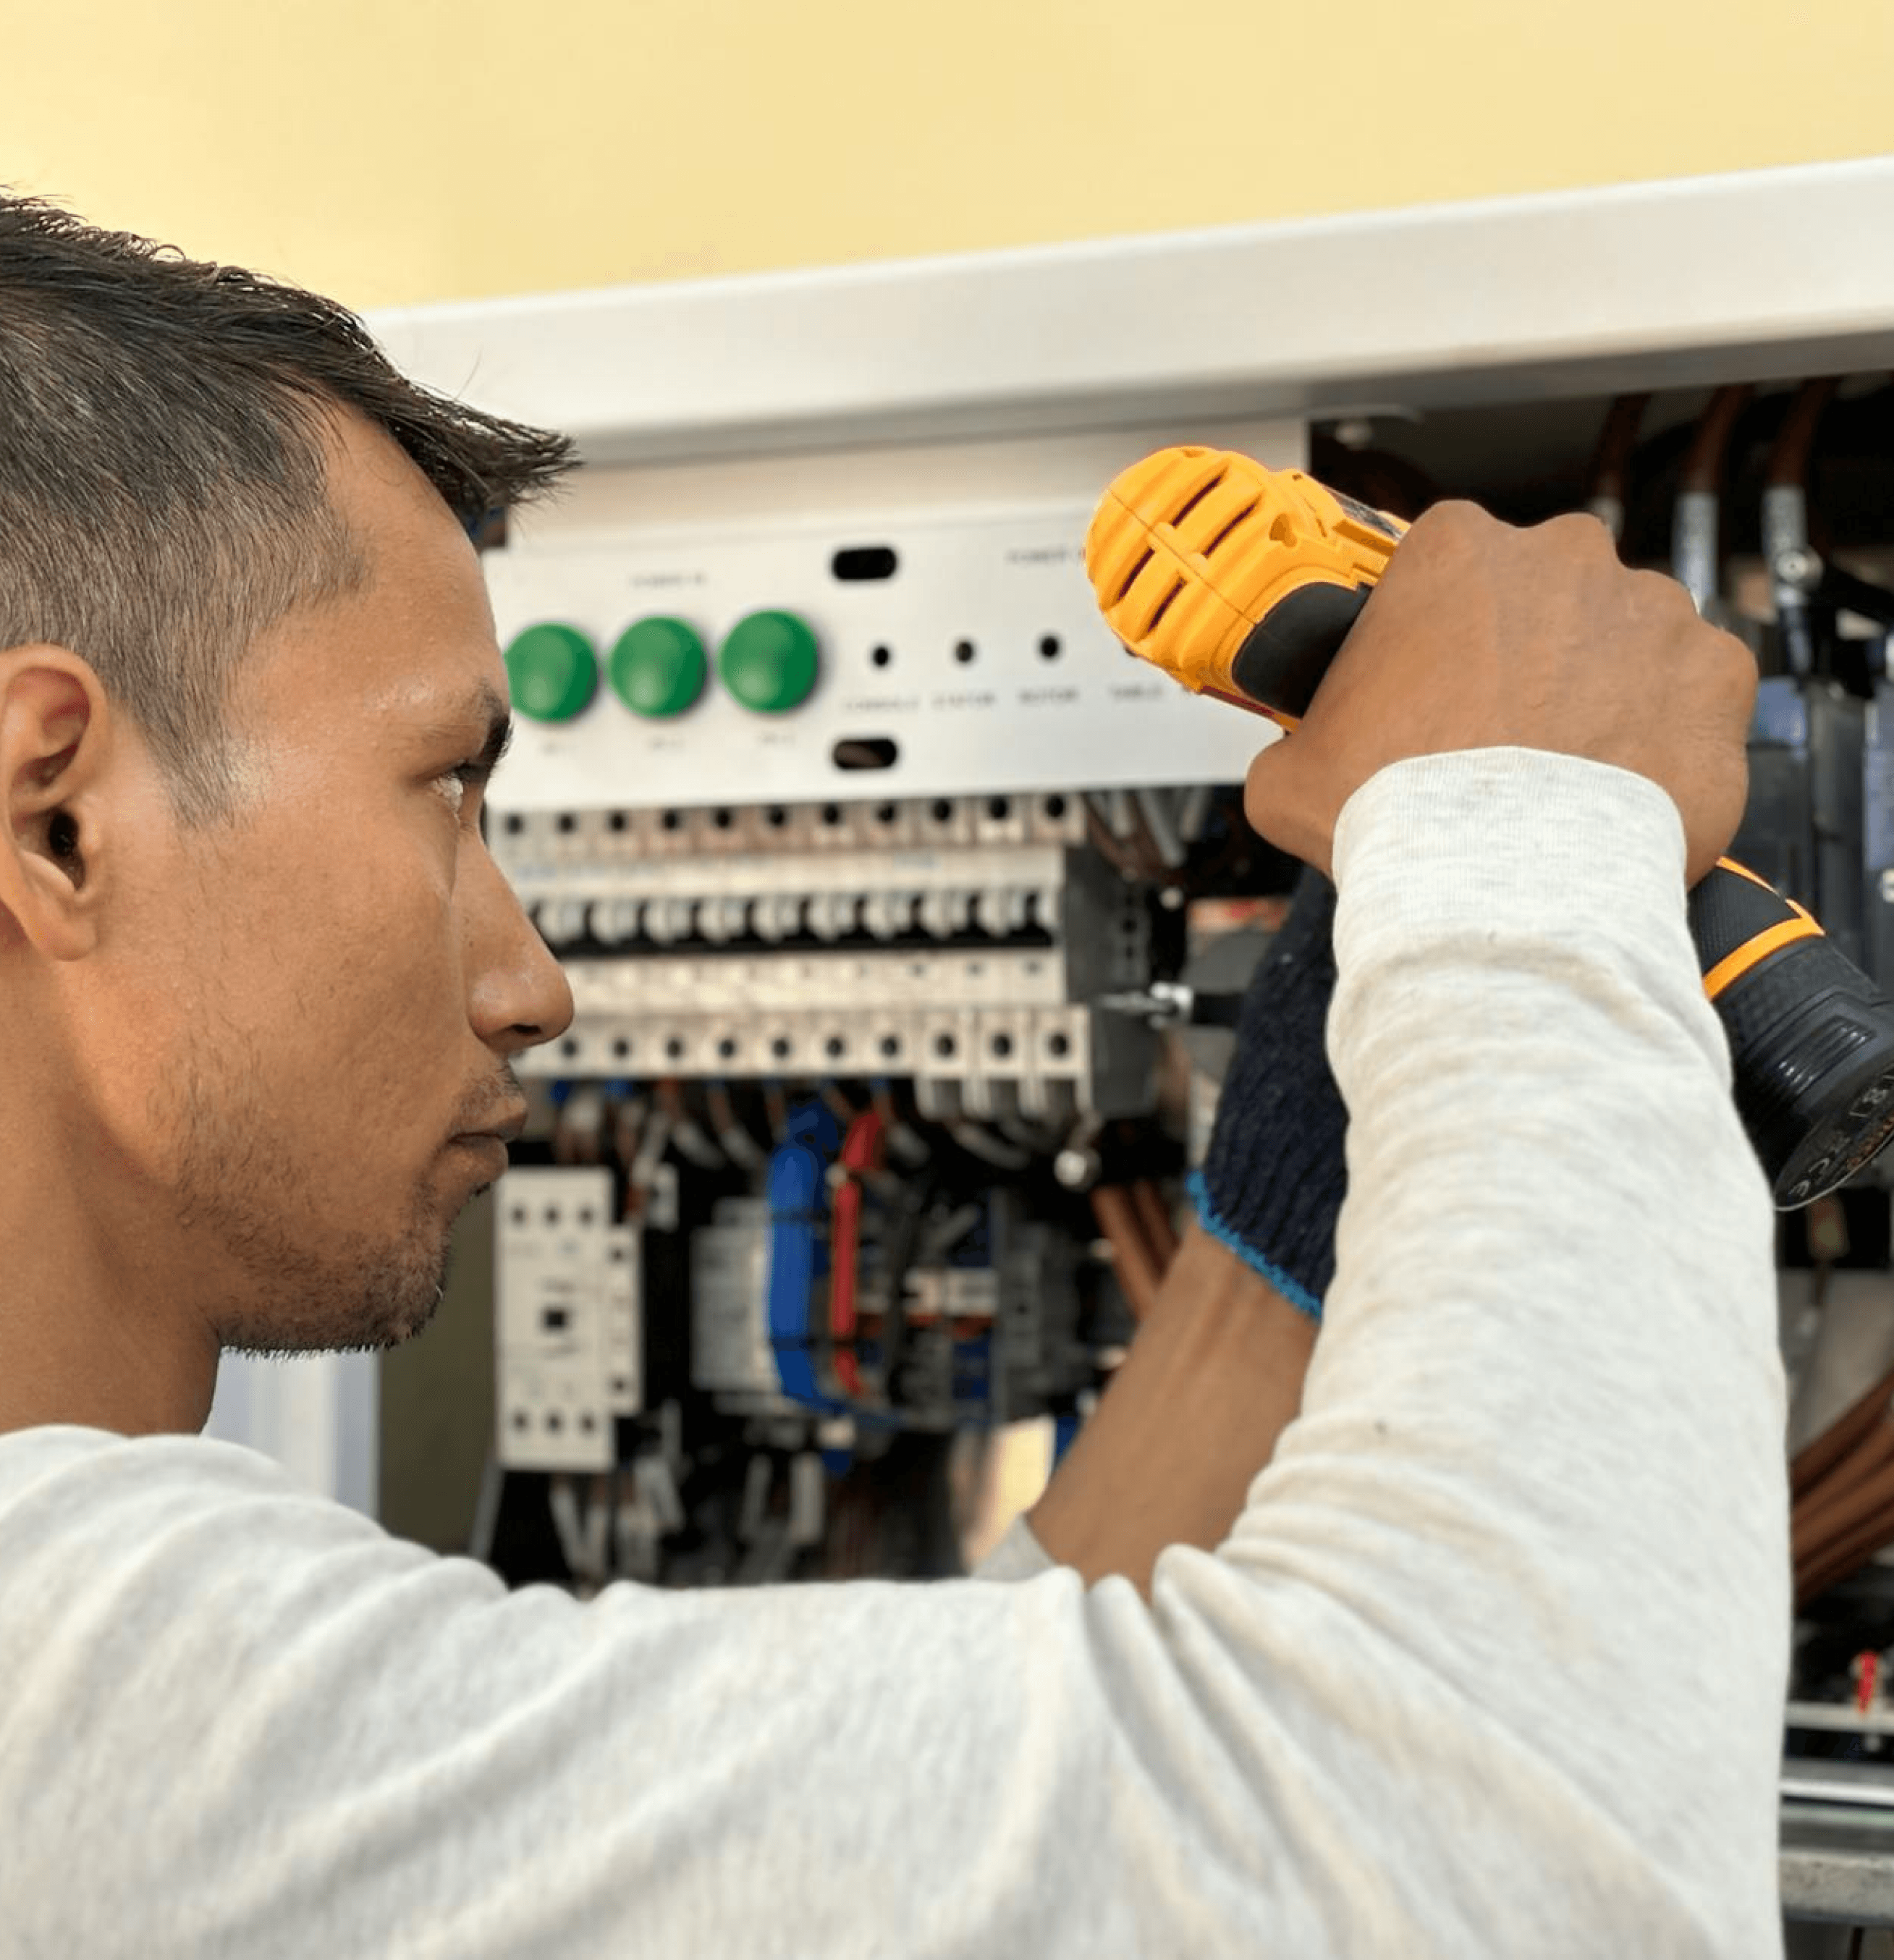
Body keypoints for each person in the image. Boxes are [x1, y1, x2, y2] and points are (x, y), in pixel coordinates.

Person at [0, 193, 1784, 1956]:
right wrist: (1521, 844)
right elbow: (1509, 1863)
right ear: (57, 814)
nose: (530, 981)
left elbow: (975, 1880)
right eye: (448, 788)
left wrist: (1286, 1237)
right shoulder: (69, 1679)